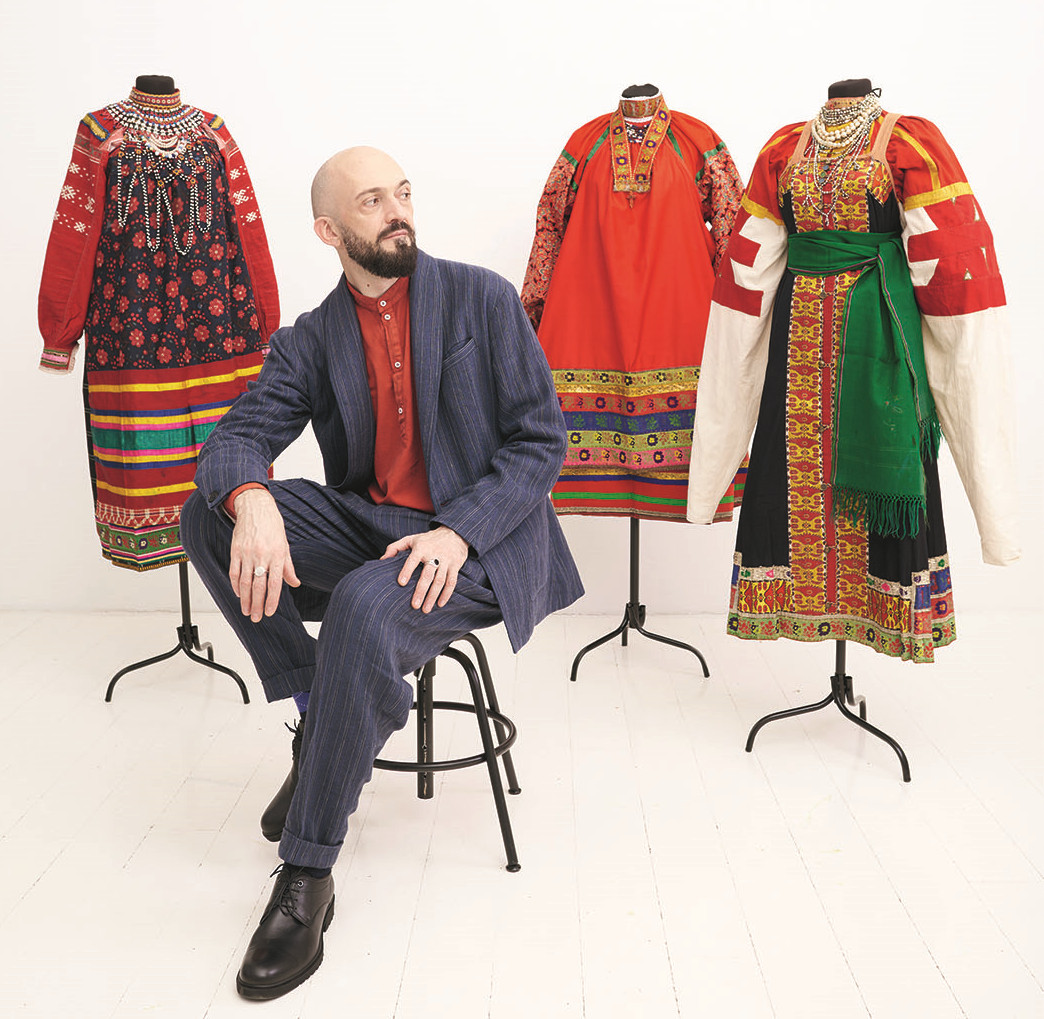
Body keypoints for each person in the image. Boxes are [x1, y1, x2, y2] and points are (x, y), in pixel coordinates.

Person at [180, 145, 583, 1001]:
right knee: (207, 513)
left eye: (402, 193)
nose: (398, 211)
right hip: (373, 525)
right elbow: (235, 439)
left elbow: (542, 440)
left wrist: (461, 532)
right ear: (329, 231)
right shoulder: (313, 337)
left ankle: (307, 876)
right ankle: (318, 713)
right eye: (372, 201)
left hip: (481, 541)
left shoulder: (481, 298)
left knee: (365, 605)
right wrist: (251, 498)